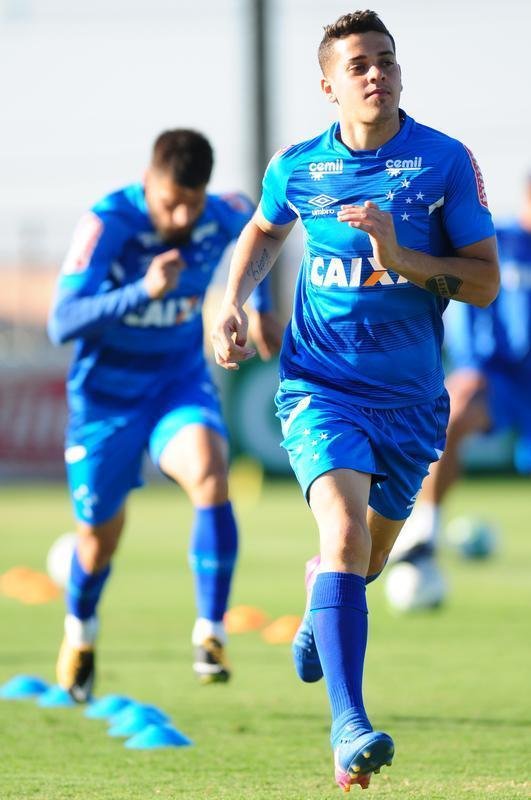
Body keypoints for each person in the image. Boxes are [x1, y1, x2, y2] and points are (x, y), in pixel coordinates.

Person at [211, 10, 499, 792]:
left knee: (364, 561)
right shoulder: (299, 165)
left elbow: (483, 284)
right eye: (359, 65)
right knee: (341, 536)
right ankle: (348, 730)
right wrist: (232, 299)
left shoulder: (442, 161)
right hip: (320, 387)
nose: (377, 74)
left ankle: (323, 597)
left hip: (410, 403)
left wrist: (397, 256)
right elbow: (264, 230)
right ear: (328, 86)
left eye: (387, 60)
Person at [48, 129, 282, 702]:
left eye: (191, 204)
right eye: (170, 202)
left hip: (176, 385)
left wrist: (260, 306)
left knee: (210, 470)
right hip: (105, 402)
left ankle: (211, 632)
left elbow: (264, 229)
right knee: (98, 541)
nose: (181, 217)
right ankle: (80, 630)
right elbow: (61, 322)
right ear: (148, 182)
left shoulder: (222, 213)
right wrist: (142, 291)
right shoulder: (108, 222)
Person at [389, 174, 531, 582]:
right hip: (498, 376)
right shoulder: (497, 240)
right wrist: (470, 364)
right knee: (453, 415)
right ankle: (424, 533)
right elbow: (463, 286)